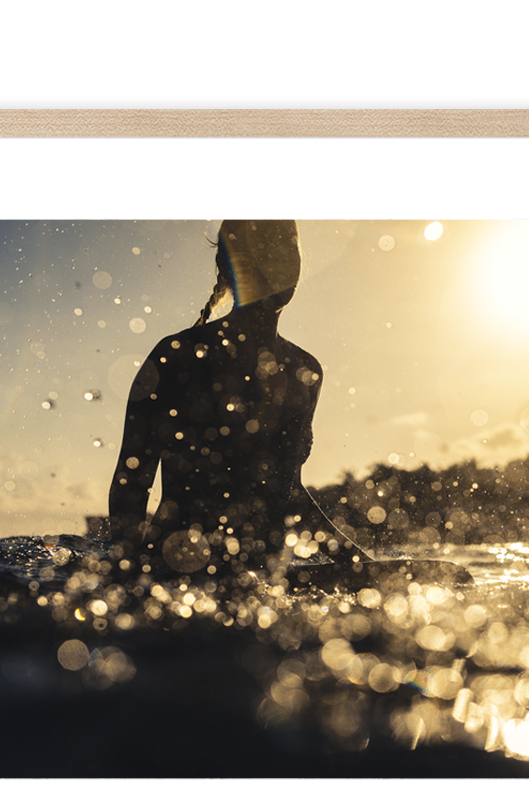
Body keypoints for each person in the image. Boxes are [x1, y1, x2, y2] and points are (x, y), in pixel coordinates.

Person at [108, 220, 373, 580]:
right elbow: (132, 479)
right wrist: (126, 574)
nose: (278, 260)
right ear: (233, 264)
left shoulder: (304, 371)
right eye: (264, 248)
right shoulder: (179, 355)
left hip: (265, 576)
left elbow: (287, 490)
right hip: (177, 571)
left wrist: (354, 562)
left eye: (287, 246)